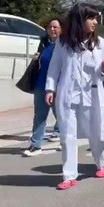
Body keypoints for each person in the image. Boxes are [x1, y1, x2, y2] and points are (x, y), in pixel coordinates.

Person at [45, 4, 104, 190]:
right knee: (68, 135)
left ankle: (100, 162)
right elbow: (54, 67)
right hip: (68, 94)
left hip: (92, 93)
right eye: (90, 18)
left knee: (96, 132)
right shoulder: (63, 42)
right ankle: (69, 175)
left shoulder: (99, 42)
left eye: (95, 18)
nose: (94, 22)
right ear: (79, 20)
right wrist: (50, 89)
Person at [23, 18, 62, 156]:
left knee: (61, 116)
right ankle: (35, 145)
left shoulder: (64, 46)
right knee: (39, 116)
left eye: (56, 27)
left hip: (59, 86)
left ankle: (66, 141)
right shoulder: (45, 44)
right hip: (41, 85)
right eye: (50, 27)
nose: (52, 29)